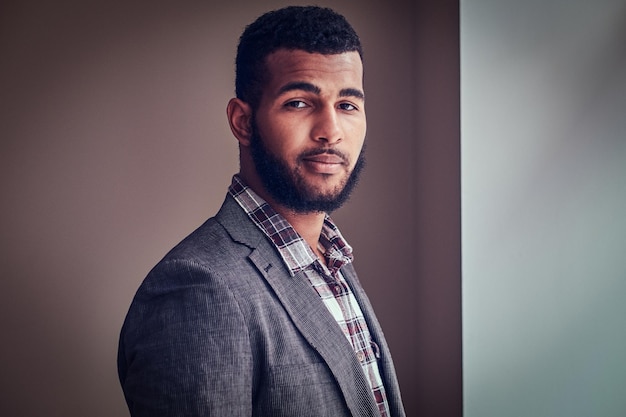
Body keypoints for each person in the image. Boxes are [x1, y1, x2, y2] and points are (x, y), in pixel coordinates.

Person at [117, 6, 406, 417]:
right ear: (243, 121)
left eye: (347, 105)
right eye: (300, 103)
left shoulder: (332, 258)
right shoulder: (197, 289)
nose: (331, 130)